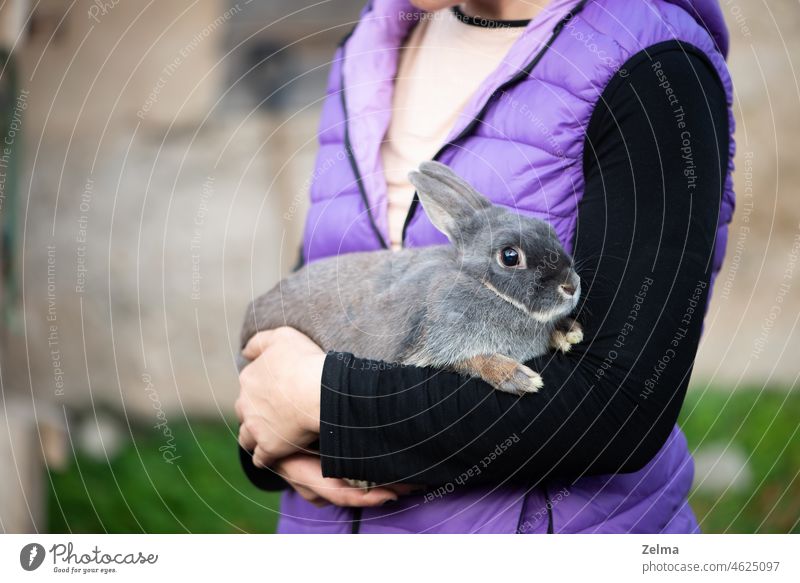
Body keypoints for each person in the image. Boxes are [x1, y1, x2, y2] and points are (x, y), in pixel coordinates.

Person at [236, 0, 735, 533]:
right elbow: (304, 311)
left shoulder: (654, 69)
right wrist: (274, 444)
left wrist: (324, 402)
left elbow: (618, 407)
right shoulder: (371, 40)